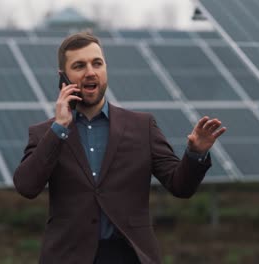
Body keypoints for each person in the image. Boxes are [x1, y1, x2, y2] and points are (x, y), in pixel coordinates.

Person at [13, 32, 226, 264]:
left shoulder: (142, 126)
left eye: (97, 63)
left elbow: (180, 186)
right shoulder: (46, 133)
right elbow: (26, 186)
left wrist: (195, 154)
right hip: (68, 256)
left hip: (130, 256)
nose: (90, 72)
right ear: (63, 77)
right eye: (79, 66)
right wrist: (60, 127)